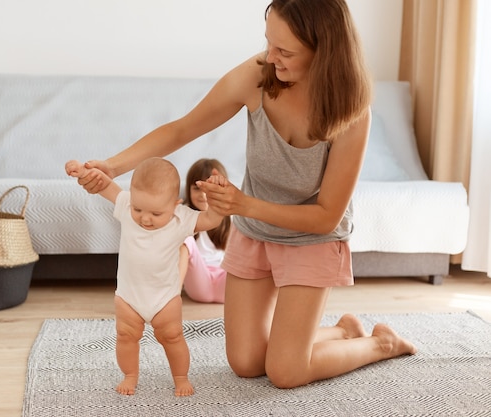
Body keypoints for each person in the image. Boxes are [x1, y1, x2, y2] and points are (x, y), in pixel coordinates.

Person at [75, 0, 417, 389]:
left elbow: (326, 216)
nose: (270, 58)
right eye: (269, 42)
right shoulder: (259, 75)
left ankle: (379, 343)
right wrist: (114, 167)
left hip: (312, 238)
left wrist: (243, 204)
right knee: (246, 362)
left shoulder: (352, 111)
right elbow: (182, 129)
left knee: (286, 372)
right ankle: (341, 331)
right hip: (256, 233)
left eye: (285, 51)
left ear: (325, 51)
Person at [65, 157, 226, 396]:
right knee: (125, 336)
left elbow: (212, 219)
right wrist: (82, 173)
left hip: (165, 298)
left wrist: (217, 196)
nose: (145, 218)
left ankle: (180, 377)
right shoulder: (127, 207)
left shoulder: (182, 219)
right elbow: (106, 186)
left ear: (176, 204)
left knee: (172, 337)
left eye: (156, 212)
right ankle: (130, 374)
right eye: (138, 209)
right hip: (129, 297)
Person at [179, 158, 231, 303]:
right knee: (186, 239)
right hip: (199, 284)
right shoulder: (185, 215)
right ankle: (171, 298)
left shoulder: (230, 219)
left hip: (225, 283)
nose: (203, 195)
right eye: (197, 188)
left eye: (209, 189)